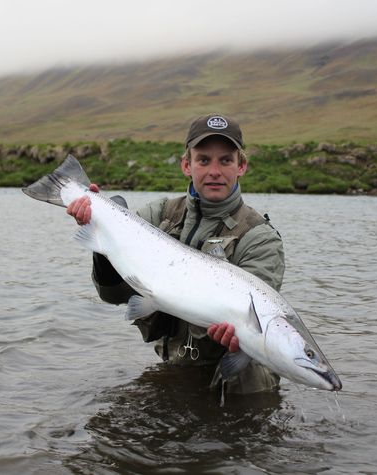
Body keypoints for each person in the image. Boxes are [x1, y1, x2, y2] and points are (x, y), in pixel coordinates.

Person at [66, 114, 285, 394]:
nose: (214, 170)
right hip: (176, 369)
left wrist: (234, 332)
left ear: (241, 166)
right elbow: (114, 296)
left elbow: (258, 322)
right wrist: (101, 236)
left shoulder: (260, 238)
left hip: (242, 384)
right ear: (186, 165)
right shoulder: (158, 216)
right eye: (203, 160)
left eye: (226, 160)